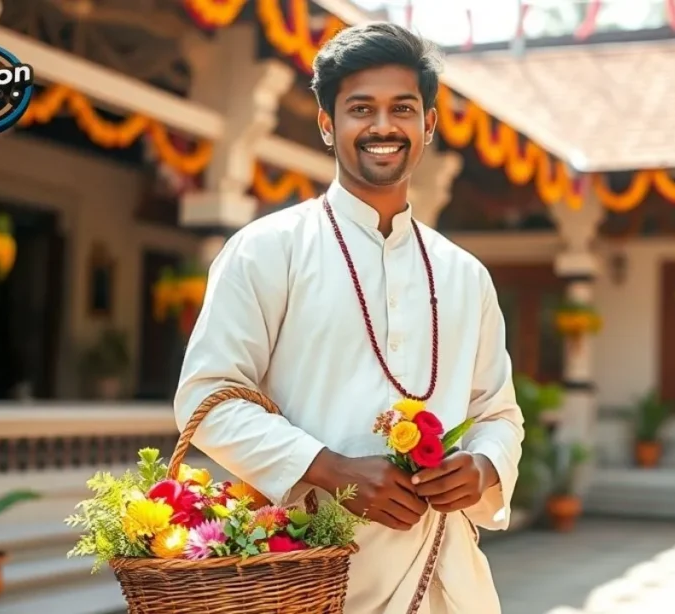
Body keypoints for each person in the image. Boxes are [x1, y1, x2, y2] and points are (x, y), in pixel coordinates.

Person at [174, 21, 524, 614]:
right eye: (361, 108)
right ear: (327, 124)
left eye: (403, 109)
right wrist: (330, 469)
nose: (383, 127)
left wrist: (483, 465)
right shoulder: (268, 248)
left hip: (445, 576)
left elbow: (499, 413)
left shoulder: (466, 275)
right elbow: (208, 398)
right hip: (305, 572)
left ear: (429, 125)